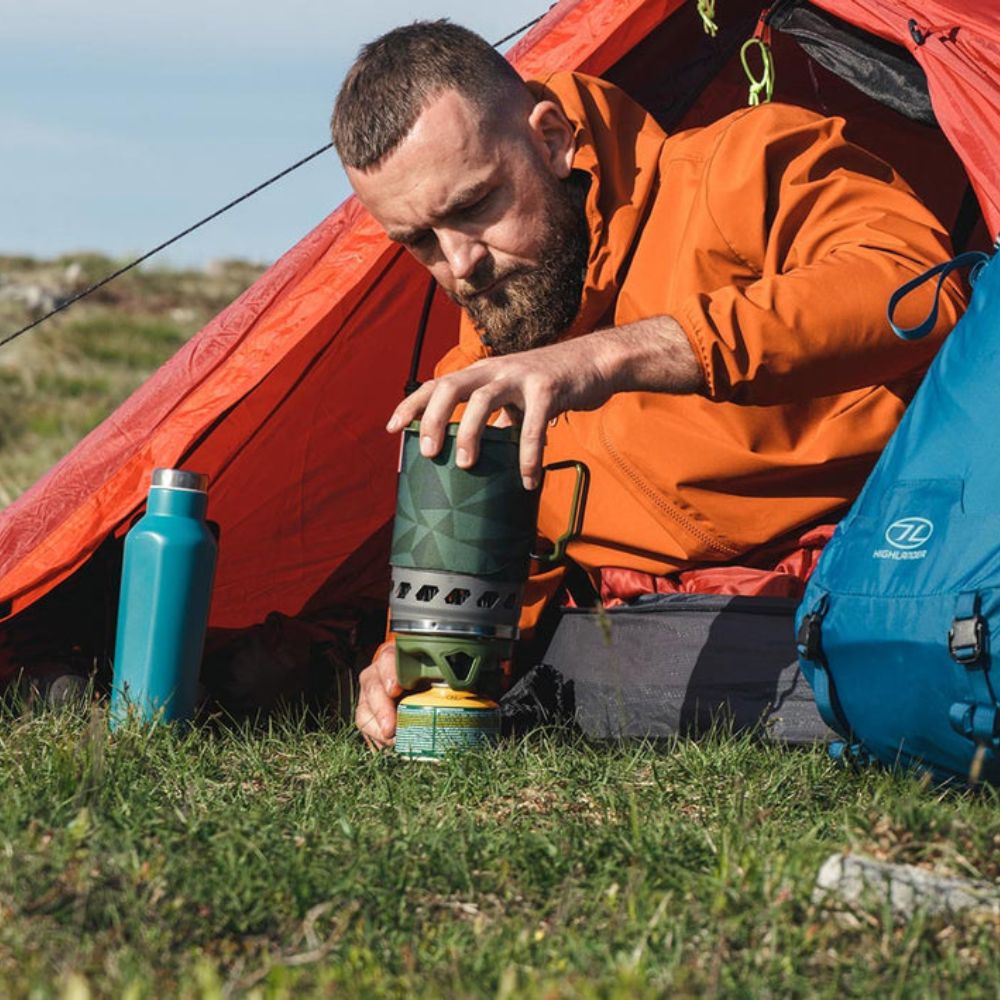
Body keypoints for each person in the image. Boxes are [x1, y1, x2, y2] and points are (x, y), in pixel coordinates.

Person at [330, 20, 966, 747]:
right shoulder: (483, 366)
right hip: (648, 643)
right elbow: (505, 566)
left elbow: (917, 290)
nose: (460, 264)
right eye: (419, 241)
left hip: (875, 581)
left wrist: (614, 356)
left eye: (475, 205)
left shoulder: (742, 165)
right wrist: (412, 657)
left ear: (551, 138)